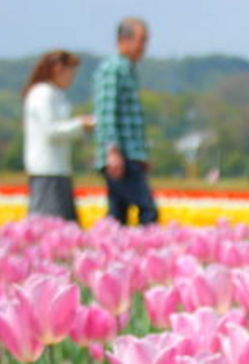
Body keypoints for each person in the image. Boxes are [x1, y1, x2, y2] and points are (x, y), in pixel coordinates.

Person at [93, 18, 158, 225]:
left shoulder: (127, 68)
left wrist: (142, 154)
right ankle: (148, 251)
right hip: (121, 154)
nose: (144, 47)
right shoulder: (113, 69)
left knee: (117, 214)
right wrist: (112, 151)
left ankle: (116, 254)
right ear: (124, 39)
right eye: (142, 40)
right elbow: (107, 112)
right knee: (147, 210)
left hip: (130, 153)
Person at [22, 50, 93, 223]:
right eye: (71, 72)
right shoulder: (43, 93)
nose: (72, 78)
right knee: (50, 222)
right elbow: (51, 131)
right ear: (58, 69)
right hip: (46, 169)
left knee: (63, 224)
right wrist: (80, 125)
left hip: (58, 169)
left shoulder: (54, 94)